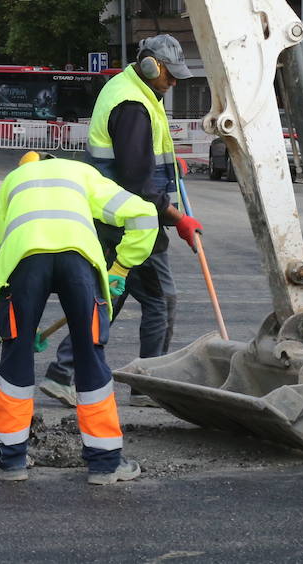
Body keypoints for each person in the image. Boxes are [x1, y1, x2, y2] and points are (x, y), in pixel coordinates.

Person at [0, 151, 158, 485]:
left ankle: (8, 460)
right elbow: (144, 215)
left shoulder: (12, 181)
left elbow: (5, 247)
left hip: (25, 261)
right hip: (78, 260)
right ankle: (106, 463)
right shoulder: (80, 173)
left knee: (16, 355)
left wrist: (22, 332)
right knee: (90, 355)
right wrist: (120, 267)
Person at [42, 34, 204, 407]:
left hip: (115, 216)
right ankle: (148, 386)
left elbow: (140, 159)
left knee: (110, 296)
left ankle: (62, 372)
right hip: (133, 221)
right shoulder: (132, 105)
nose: (174, 82)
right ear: (151, 66)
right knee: (161, 301)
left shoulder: (130, 90)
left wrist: (170, 167)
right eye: (170, 74)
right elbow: (138, 182)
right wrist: (179, 219)